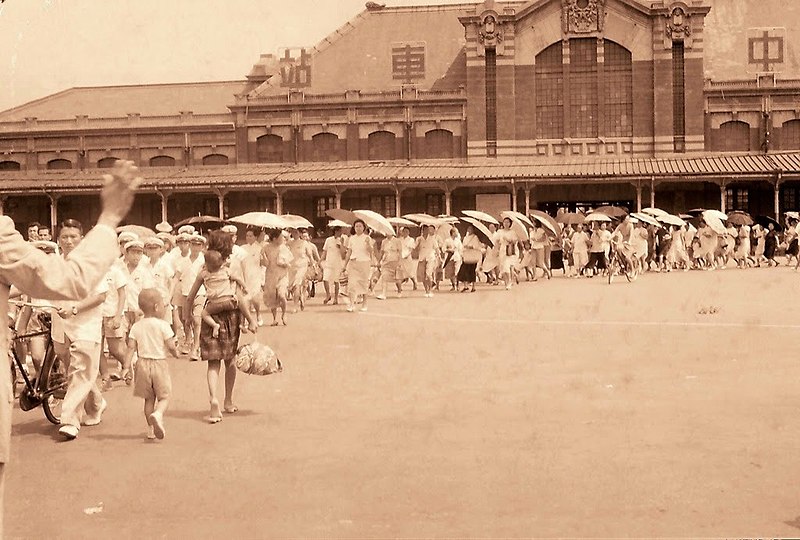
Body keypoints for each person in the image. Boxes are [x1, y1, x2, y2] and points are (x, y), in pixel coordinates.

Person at [0, 155, 138, 529]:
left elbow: (93, 292)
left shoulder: (106, 268)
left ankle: (71, 418)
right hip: (63, 321)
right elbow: (67, 281)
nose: (67, 240)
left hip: (88, 322)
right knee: (76, 369)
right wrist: (109, 219)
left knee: (81, 369)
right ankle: (91, 404)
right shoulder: (11, 239)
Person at [186, 231, 244, 423]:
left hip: (210, 314)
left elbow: (191, 295)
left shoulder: (204, 268)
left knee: (213, 362)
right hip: (230, 315)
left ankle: (213, 399)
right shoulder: (229, 266)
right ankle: (228, 400)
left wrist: (187, 316)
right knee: (230, 359)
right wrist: (249, 319)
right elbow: (240, 296)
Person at [125, 288, 177, 440]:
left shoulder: (136, 326)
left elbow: (130, 347)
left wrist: (126, 367)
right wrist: (175, 353)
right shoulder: (163, 325)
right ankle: (159, 413)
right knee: (164, 397)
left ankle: (150, 429)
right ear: (156, 307)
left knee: (149, 399)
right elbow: (171, 345)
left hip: (141, 365)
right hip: (159, 364)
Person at [198, 249, 257, 337]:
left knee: (204, 313)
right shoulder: (226, 271)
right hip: (229, 301)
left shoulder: (205, 274)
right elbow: (238, 279)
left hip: (215, 303)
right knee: (240, 304)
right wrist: (245, 287)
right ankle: (242, 323)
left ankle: (214, 325)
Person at [261, 229, 293, 326]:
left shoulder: (284, 248)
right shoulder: (266, 248)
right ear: (275, 239)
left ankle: (284, 314)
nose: (282, 239)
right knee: (272, 298)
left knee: (282, 295)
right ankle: (274, 318)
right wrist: (263, 256)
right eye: (280, 237)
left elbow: (289, 261)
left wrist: (285, 263)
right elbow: (265, 264)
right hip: (271, 275)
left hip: (282, 275)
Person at [343, 219, 375, 311]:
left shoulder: (367, 238)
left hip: (364, 263)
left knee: (363, 283)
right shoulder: (351, 238)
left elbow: (370, 251)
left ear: (364, 227)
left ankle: (365, 304)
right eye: (356, 226)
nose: (358, 228)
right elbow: (349, 252)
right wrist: (345, 265)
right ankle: (352, 304)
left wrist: (368, 244)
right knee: (352, 284)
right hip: (353, 263)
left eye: (360, 226)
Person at [321, 226, 347, 304]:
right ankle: (328, 295)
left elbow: (343, 255)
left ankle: (336, 298)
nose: (340, 233)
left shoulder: (343, 240)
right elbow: (325, 251)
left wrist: (341, 245)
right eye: (338, 231)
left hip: (337, 264)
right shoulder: (328, 240)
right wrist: (320, 260)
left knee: (336, 281)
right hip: (329, 263)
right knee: (325, 279)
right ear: (335, 231)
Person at [457, 225, 485, 292]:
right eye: (468, 228)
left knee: (472, 272)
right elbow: (462, 246)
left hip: (473, 256)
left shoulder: (475, 237)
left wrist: (471, 247)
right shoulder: (465, 238)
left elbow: (477, 246)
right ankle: (465, 286)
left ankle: (473, 286)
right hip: (467, 256)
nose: (469, 230)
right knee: (463, 271)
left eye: (471, 229)